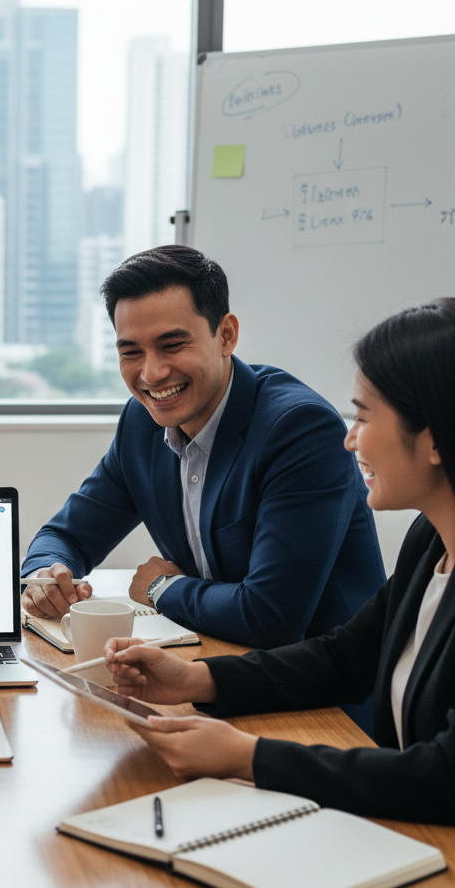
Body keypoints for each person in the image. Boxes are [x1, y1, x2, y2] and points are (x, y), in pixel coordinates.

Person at [104, 299, 455, 824]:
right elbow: (344, 657)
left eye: (363, 416)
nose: (350, 438)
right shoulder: (431, 538)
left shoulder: (293, 424)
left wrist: (248, 756)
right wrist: (194, 680)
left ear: (431, 439)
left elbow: (444, 776)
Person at [21, 245, 384, 650]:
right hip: (216, 657)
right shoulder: (141, 423)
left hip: (322, 694)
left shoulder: (299, 429)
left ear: (225, 335)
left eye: (172, 345)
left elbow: (269, 617)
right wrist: (43, 577)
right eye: (131, 352)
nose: (152, 372)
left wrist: (160, 587)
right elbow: (65, 535)